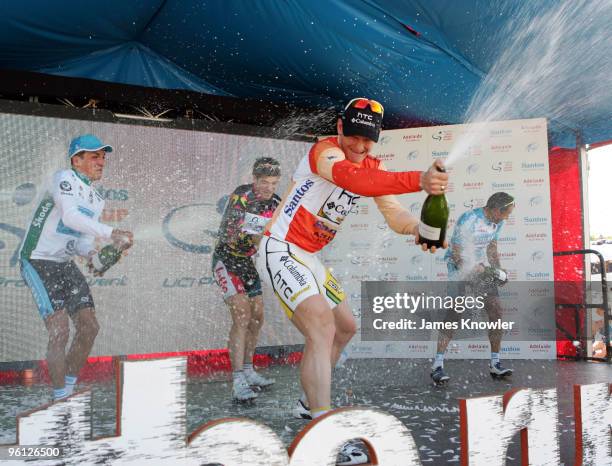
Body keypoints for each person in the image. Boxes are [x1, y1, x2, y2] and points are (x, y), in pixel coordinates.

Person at [256, 97, 448, 422]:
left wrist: (418, 228)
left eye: (368, 139)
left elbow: (394, 214)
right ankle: (323, 424)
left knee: (345, 327)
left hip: (309, 258)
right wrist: (418, 179)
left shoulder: (375, 167)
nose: (360, 145)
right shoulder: (325, 151)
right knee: (321, 324)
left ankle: (308, 403)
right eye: (354, 135)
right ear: (340, 127)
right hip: (279, 247)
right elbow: (353, 180)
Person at [19, 134, 133, 401]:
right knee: (60, 330)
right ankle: (60, 399)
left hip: (64, 263)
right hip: (37, 260)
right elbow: (70, 215)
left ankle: (67, 391)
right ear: (76, 159)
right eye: (95, 156)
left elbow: (80, 241)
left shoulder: (96, 199)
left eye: (103, 157)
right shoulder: (64, 178)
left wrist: (96, 257)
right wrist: (111, 232)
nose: (101, 161)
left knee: (89, 326)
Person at [212, 157, 282, 402]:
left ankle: (249, 370)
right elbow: (236, 236)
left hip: (246, 264)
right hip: (226, 259)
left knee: (258, 316)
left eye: (274, 183)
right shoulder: (242, 195)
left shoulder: (276, 202)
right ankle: (238, 379)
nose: (268, 188)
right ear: (254, 179)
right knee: (241, 314)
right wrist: (264, 239)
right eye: (264, 182)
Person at [431, 192, 515, 385]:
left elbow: (491, 247)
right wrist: (474, 269)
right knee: (454, 314)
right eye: (505, 213)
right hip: (458, 268)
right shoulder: (469, 219)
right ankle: (437, 365)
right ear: (495, 210)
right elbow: (458, 255)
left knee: (495, 310)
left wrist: (498, 270)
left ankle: (495, 364)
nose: (506, 217)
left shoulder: (497, 221)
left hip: (480, 268)